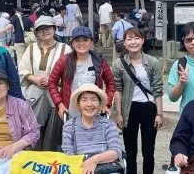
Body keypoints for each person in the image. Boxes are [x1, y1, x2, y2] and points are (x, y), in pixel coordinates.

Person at [113, 27, 163, 174]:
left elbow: (157, 89)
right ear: (124, 42)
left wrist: (159, 113)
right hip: (129, 109)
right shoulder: (119, 64)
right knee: (130, 150)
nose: (133, 42)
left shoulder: (153, 62)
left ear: (142, 40)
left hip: (149, 108)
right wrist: (119, 114)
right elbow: (118, 89)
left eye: (136, 38)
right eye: (129, 39)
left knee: (148, 150)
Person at [18, 16, 71, 150]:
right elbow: (22, 69)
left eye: (48, 28)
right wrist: (35, 79)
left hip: (56, 97)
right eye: (40, 29)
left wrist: (53, 81)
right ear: (36, 32)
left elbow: (70, 73)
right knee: (33, 130)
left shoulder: (65, 49)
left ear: (54, 29)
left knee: (53, 133)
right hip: (34, 96)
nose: (44, 31)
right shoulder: (31, 49)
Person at [49, 26, 116, 120]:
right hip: (70, 114)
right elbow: (52, 82)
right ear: (72, 43)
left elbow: (111, 83)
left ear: (91, 42)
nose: (81, 43)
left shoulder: (99, 61)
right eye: (77, 40)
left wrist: (106, 104)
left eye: (85, 40)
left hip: (93, 113)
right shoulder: (64, 61)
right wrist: (60, 104)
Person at [62, 84, 122, 173]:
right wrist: (87, 164)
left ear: (99, 103)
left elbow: (116, 152)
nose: (89, 104)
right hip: (81, 169)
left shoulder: (108, 125)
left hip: (105, 169)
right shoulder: (69, 127)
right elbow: (68, 155)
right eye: (84, 100)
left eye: (94, 100)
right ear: (78, 105)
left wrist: (94, 160)